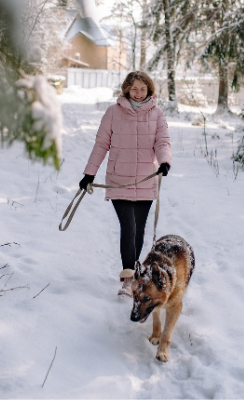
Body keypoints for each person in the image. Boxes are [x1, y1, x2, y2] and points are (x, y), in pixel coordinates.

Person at [80, 71, 171, 297]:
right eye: (134, 89)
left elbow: (163, 141)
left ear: (149, 90)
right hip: (119, 180)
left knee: (139, 229)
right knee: (128, 227)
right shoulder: (113, 113)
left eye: (142, 89)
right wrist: (89, 174)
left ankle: (135, 273)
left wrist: (165, 161)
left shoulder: (157, 114)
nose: (138, 93)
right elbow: (101, 144)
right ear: (126, 90)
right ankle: (128, 279)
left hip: (145, 179)